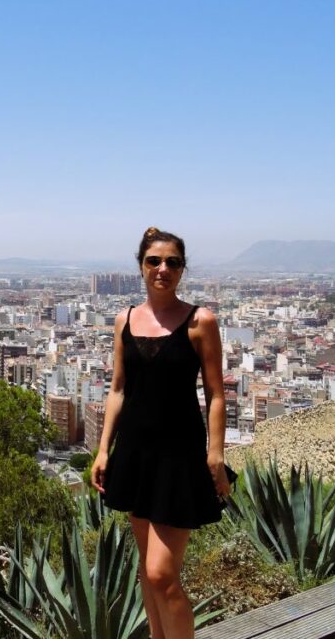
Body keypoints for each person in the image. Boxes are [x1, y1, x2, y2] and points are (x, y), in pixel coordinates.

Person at [90, 226, 230, 639]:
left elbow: (217, 393)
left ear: (183, 269)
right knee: (146, 573)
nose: (163, 269)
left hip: (178, 455)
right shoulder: (125, 320)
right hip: (135, 453)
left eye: (172, 262)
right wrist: (103, 450)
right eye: (154, 261)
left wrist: (215, 453)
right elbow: (117, 389)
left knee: (162, 574)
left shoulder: (200, 321)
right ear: (141, 267)